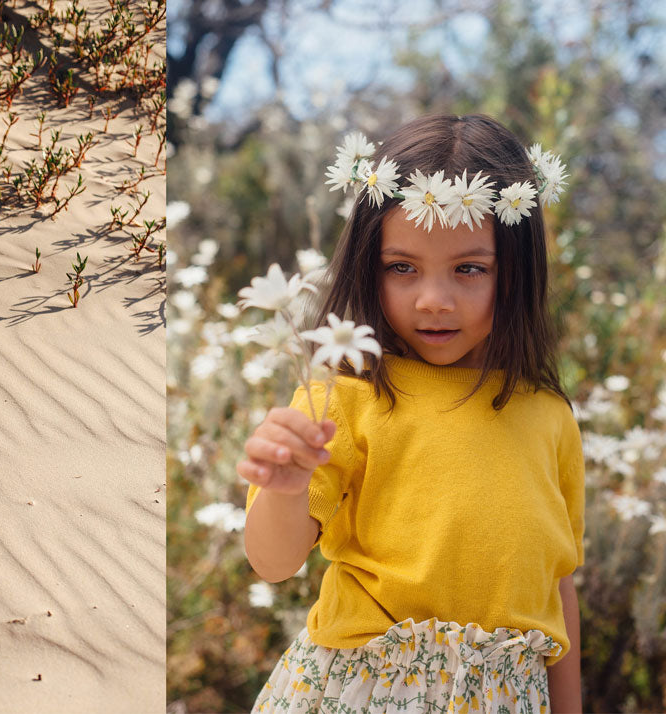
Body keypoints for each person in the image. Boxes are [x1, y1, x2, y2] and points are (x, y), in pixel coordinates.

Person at [238, 114, 584, 714]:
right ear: (369, 267)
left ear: (518, 271)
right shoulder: (345, 398)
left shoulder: (549, 415)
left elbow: (557, 585)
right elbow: (272, 562)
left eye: (469, 269)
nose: (433, 299)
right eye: (403, 267)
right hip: (363, 692)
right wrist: (285, 489)